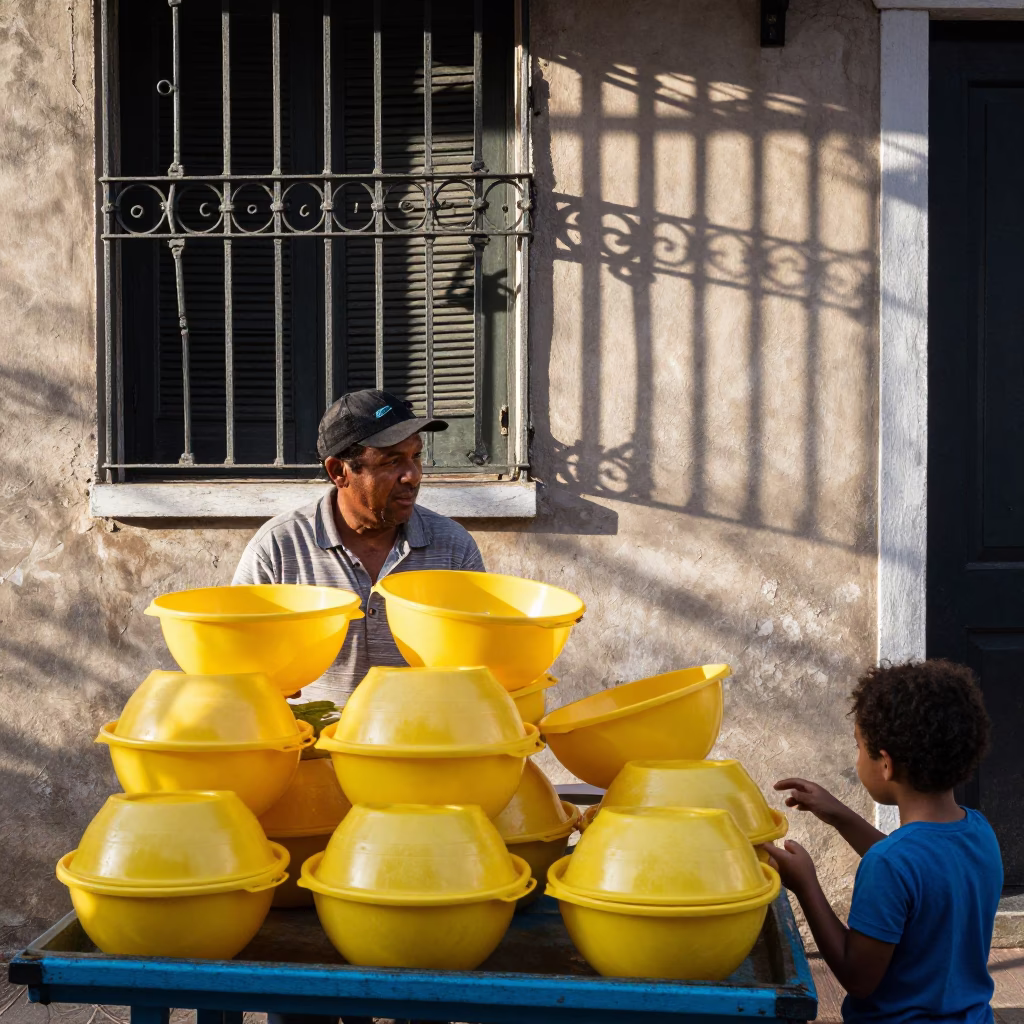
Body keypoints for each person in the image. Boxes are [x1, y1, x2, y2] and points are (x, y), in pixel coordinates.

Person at [765, 660, 1000, 1024]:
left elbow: (858, 978)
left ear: (886, 764)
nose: (858, 757)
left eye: (859, 746)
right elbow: (917, 869)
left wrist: (806, 885)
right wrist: (841, 816)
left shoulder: (889, 863)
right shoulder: (979, 832)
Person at [233, 388, 484, 707]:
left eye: (416, 456)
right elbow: (236, 659)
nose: (413, 475)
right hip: (312, 737)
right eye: (392, 461)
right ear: (339, 472)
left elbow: (480, 658)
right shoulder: (278, 548)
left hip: (425, 735)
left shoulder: (453, 548)